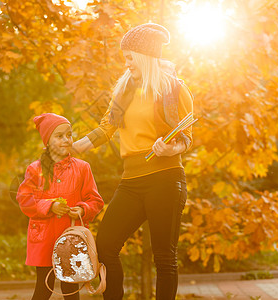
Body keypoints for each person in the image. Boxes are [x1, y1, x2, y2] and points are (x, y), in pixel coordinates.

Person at [72, 23, 193, 300]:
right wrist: (78, 146)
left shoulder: (174, 90)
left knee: (164, 257)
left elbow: (186, 137)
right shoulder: (125, 89)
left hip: (165, 178)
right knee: (105, 246)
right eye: (124, 57)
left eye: (130, 57)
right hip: (131, 181)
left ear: (145, 56)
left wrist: (169, 148)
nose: (126, 64)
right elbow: (107, 127)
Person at [17, 113, 104, 300]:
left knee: (71, 288)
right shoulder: (35, 169)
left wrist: (82, 209)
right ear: (47, 141)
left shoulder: (82, 168)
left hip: (71, 236)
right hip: (43, 236)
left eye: (69, 135)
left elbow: (95, 200)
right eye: (59, 136)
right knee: (44, 287)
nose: (66, 140)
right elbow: (24, 199)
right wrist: (49, 206)